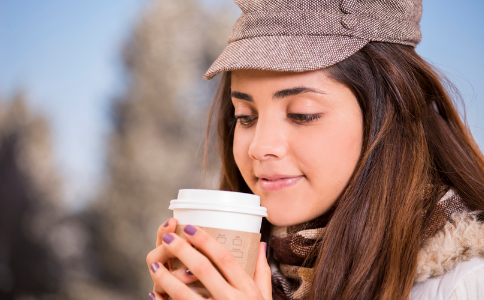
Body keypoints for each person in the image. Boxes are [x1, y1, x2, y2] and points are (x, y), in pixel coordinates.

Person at [146, 0, 484, 299]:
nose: (260, 147)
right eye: (245, 117)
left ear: (388, 117)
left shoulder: (467, 284)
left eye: (302, 114)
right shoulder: (250, 275)